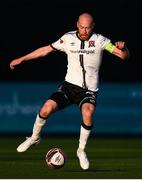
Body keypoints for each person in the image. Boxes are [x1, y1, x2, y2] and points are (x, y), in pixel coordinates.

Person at [9, 13, 130, 170]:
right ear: (77, 25)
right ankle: (34, 137)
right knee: (45, 109)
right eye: (81, 27)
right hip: (69, 86)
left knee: (89, 111)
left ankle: (81, 150)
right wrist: (22, 59)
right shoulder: (68, 38)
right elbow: (46, 50)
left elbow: (123, 56)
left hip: (88, 90)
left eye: (88, 27)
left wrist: (124, 48)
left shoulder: (101, 41)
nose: (84, 30)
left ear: (93, 26)